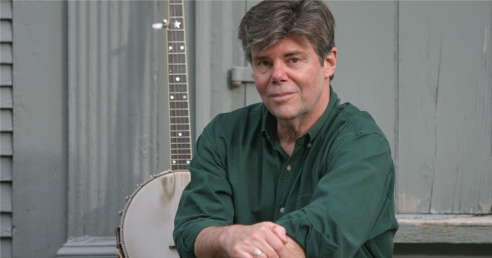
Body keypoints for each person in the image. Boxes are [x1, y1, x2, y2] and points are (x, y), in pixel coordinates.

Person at [173, 0, 399, 257]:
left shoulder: (362, 145)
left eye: (293, 60)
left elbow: (316, 240)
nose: (277, 75)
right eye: (264, 63)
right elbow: (190, 231)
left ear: (329, 63)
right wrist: (230, 236)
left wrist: (250, 246)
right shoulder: (223, 136)